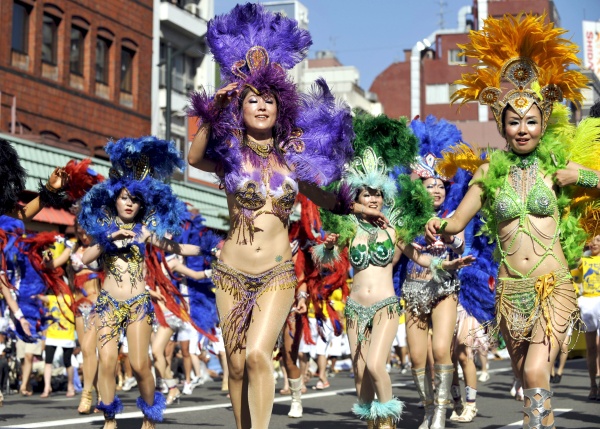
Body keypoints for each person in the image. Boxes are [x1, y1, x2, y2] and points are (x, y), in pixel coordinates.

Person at [186, 5, 387, 429]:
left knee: (260, 356)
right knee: (237, 366)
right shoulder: (228, 157)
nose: (261, 106)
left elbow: (326, 197)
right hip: (230, 273)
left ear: (281, 108)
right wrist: (211, 111)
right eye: (251, 99)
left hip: (277, 273)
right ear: (239, 107)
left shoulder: (292, 160)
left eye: (269, 99)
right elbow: (194, 157)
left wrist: (358, 206)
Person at [426, 13, 599, 429]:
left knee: (538, 371)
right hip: (509, 291)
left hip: (552, 284)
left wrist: (583, 176)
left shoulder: (559, 162)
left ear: (543, 124)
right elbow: (458, 220)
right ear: (503, 126)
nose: (523, 129)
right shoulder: (488, 173)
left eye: (532, 121)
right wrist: (437, 223)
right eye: (515, 121)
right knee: (525, 376)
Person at [319, 114, 474, 429]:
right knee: (360, 372)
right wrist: (331, 246)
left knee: (376, 363)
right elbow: (326, 260)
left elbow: (417, 255)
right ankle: (371, 421)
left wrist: (446, 264)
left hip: (386, 306)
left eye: (378, 193)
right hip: (354, 307)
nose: (374, 198)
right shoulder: (348, 228)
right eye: (367, 194)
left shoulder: (393, 229)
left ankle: (389, 421)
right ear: (358, 199)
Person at [78, 136, 199, 429]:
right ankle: (109, 418)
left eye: (134, 199)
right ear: (115, 199)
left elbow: (177, 249)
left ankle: (150, 414)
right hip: (107, 304)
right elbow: (85, 257)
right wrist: (110, 238)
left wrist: (211, 250)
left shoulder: (145, 231)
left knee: (139, 364)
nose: (129, 203)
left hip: (137, 305)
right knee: (106, 360)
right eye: (124, 198)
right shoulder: (105, 229)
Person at [572, 234, 600, 400]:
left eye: (598, 240)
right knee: (591, 349)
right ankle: (593, 385)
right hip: (587, 303)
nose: (594, 243)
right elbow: (573, 275)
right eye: (592, 240)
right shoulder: (582, 260)